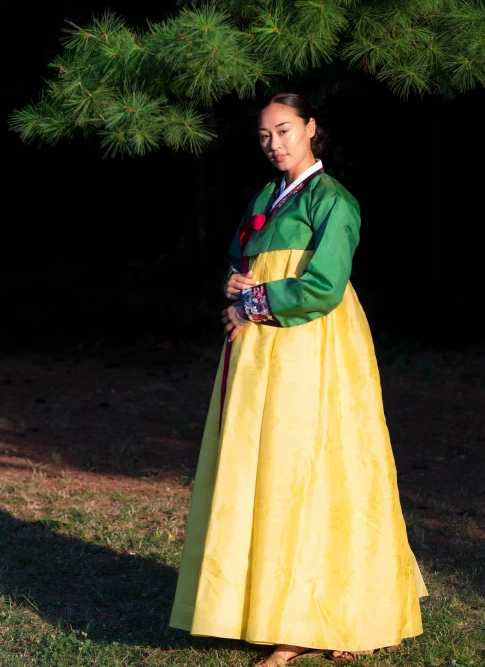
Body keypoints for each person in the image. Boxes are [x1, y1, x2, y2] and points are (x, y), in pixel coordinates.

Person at [169, 91, 428, 665]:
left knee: (309, 467)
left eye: (284, 131)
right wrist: (235, 293)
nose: (274, 144)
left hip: (313, 346)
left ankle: (311, 620)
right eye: (264, 136)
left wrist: (255, 297)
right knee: (264, 469)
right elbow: (244, 260)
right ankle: (262, 605)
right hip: (265, 349)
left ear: (311, 129)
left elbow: (322, 286)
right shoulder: (266, 195)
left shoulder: (334, 199)